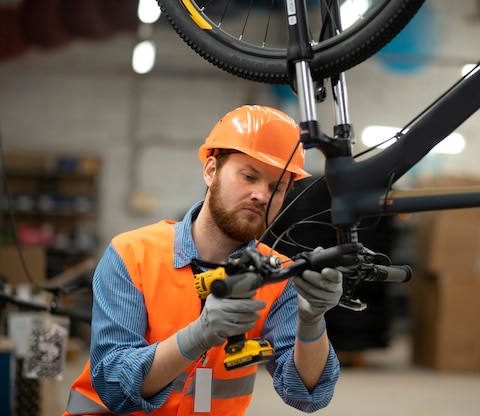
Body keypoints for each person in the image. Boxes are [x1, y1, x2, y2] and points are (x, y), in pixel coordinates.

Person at [63, 105, 343, 415]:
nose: (262, 195)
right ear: (211, 171)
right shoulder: (133, 255)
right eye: (249, 176)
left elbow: (307, 396)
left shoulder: (279, 276)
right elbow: (114, 386)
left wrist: (313, 321)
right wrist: (195, 337)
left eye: (277, 187)